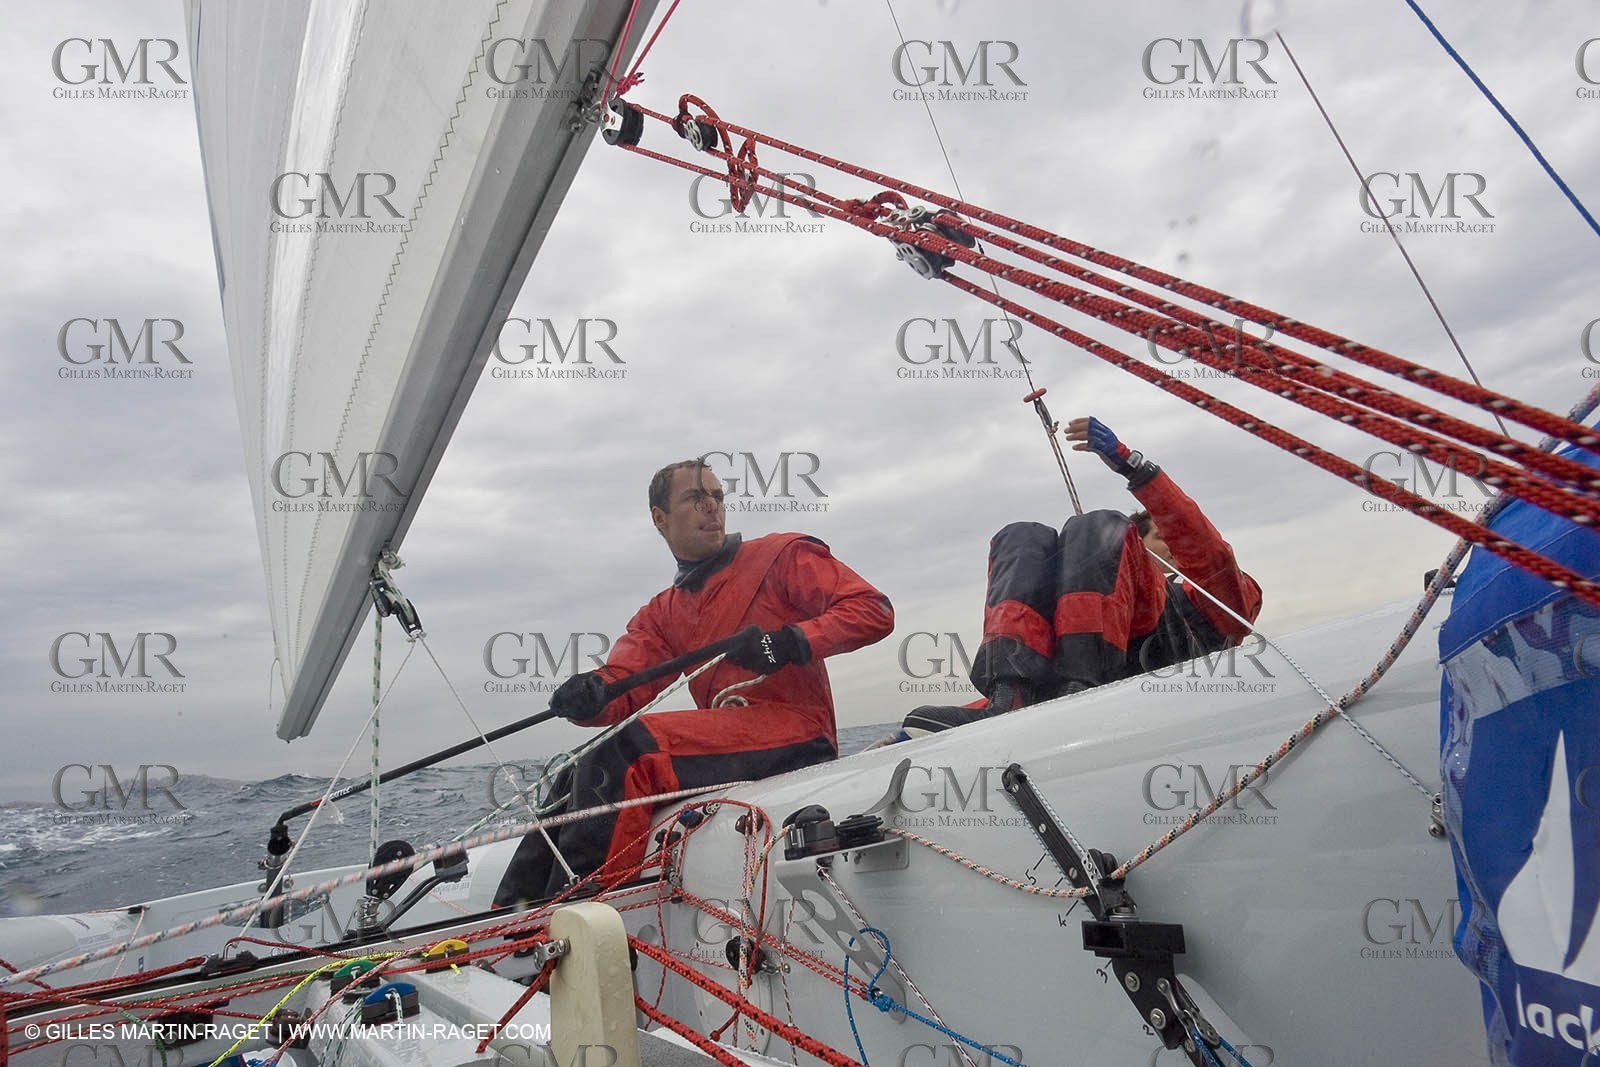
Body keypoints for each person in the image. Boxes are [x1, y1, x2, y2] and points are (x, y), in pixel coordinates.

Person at [494, 458, 894, 906]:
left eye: (718, 497)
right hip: (734, 744)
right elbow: (624, 685)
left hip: (799, 734)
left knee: (628, 751)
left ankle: (593, 914)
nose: (712, 508)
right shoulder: (663, 612)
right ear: (659, 518)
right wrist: (589, 694)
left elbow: (872, 611)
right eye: (695, 498)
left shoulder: (781, 557)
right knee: (578, 769)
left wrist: (785, 642)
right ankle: (510, 918)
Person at [901, 416, 1262, 736]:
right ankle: (1008, 695)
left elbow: (1205, 550)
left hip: (1162, 678)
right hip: (1083, 671)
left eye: (1171, 539)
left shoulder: (1211, 604)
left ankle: (1082, 688)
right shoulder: (1085, 594)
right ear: (1137, 546)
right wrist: (920, 737)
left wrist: (1134, 466)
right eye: (1159, 538)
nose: (1170, 546)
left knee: (1097, 525)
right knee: (1023, 536)